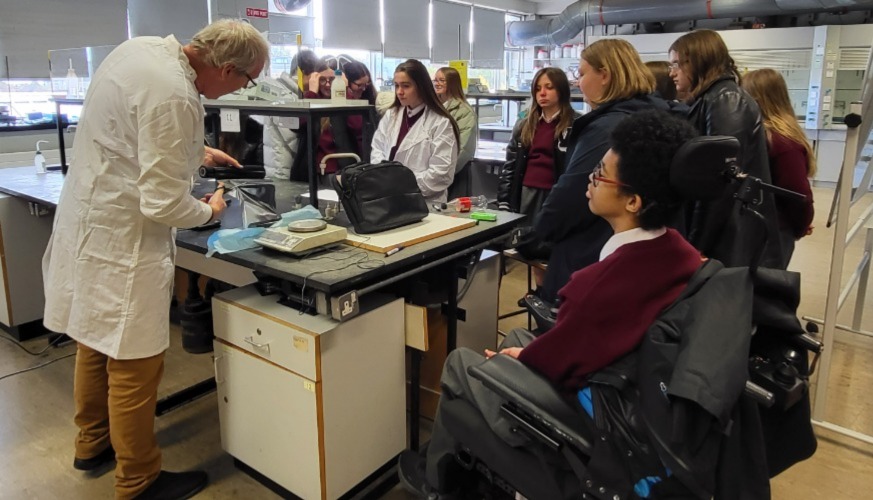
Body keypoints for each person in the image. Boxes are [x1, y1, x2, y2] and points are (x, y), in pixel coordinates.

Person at [398, 110, 702, 498]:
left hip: (594, 420)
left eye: (600, 174)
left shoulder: (596, 285)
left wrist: (520, 360)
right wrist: (525, 350)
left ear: (633, 201)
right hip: (629, 390)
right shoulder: (680, 251)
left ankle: (435, 481)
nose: (589, 181)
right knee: (522, 333)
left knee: (463, 364)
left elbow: (561, 360)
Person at [41, 19, 268, 500]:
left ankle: (92, 443)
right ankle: (138, 479)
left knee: (94, 343)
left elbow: (133, 132)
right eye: (245, 83)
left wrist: (195, 150)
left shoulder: (140, 51)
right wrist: (209, 209)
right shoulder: (176, 96)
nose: (237, 93)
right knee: (133, 363)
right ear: (226, 68)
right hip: (125, 244)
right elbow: (164, 205)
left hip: (91, 225)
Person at [532, 39, 676, 303]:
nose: (579, 81)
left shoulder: (607, 127)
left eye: (582, 73)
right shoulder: (655, 113)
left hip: (591, 252)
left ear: (605, 75)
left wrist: (537, 233)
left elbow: (572, 195)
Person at [669, 29, 784, 269]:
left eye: (677, 64)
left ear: (698, 60)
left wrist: (697, 243)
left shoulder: (726, 99)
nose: (672, 73)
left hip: (729, 234)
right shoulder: (713, 98)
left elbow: (721, 180)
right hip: (724, 229)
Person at [498, 68, 578, 288]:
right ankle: (539, 292)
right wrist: (505, 200)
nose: (542, 93)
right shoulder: (525, 125)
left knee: (554, 247)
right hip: (527, 192)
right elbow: (510, 165)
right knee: (532, 246)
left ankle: (554, 294)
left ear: (561, 89)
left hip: (555, 194)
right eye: (538, 88)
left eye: (549, 87)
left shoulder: (575, 125)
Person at [741, 68, 815, 267]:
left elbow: (797, 194)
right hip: (766, 228)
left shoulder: (781, 142)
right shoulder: (772, 137)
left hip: (774, 232)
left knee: (765, 290)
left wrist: (799, 225)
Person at [371, 59, 460, 203]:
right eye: (396, 85)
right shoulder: (391, 115)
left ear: (421, 87)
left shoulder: (441, 122)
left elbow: (440, 174)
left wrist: (401, 185)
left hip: (426, 203)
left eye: (406, 86)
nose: (399, 92)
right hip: (388, 198)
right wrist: (385, 180)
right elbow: (377, 150)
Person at [433, 66, 478, 196]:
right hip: (435, 174)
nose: (437, 83)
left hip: (455, 174)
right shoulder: (434, 107)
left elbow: (464, 149)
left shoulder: (464, 111)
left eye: (442, 80)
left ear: (452, 83)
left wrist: (443, 175)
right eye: (435, 80)